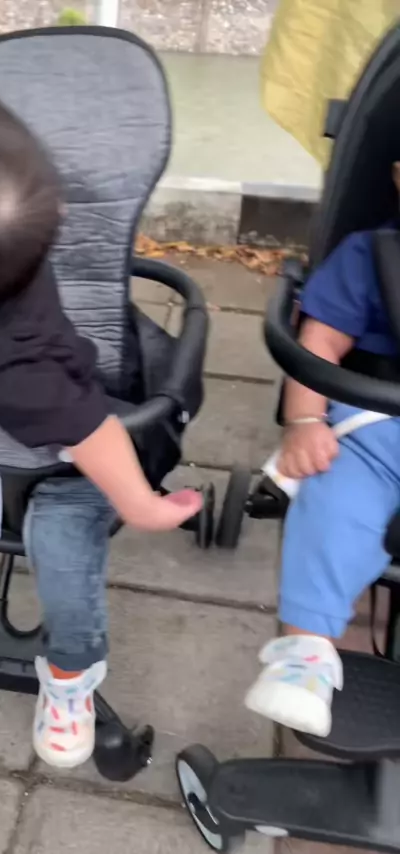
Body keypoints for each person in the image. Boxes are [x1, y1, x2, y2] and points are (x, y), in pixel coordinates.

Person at [0, 77, 202, 768]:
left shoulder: (24, 363)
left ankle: (72, 672)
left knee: (63, 549)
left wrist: (141, 503)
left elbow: (96, 435)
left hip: (59, 466)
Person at [245, 162, 400, 738]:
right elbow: (321, 341)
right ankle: (304, 657)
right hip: (377, 427)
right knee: (333, 505)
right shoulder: (371, 256)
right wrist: (306, 420)